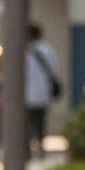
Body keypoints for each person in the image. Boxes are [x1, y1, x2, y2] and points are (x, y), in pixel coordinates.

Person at [24, 23, 59, 160]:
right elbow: (54, 70)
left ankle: (28, 151)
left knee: (27, 124)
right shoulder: (48, 50)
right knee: (40, 122)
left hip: (27, 94)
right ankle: (40, 148)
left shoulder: (24, 51)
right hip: (43, 93)